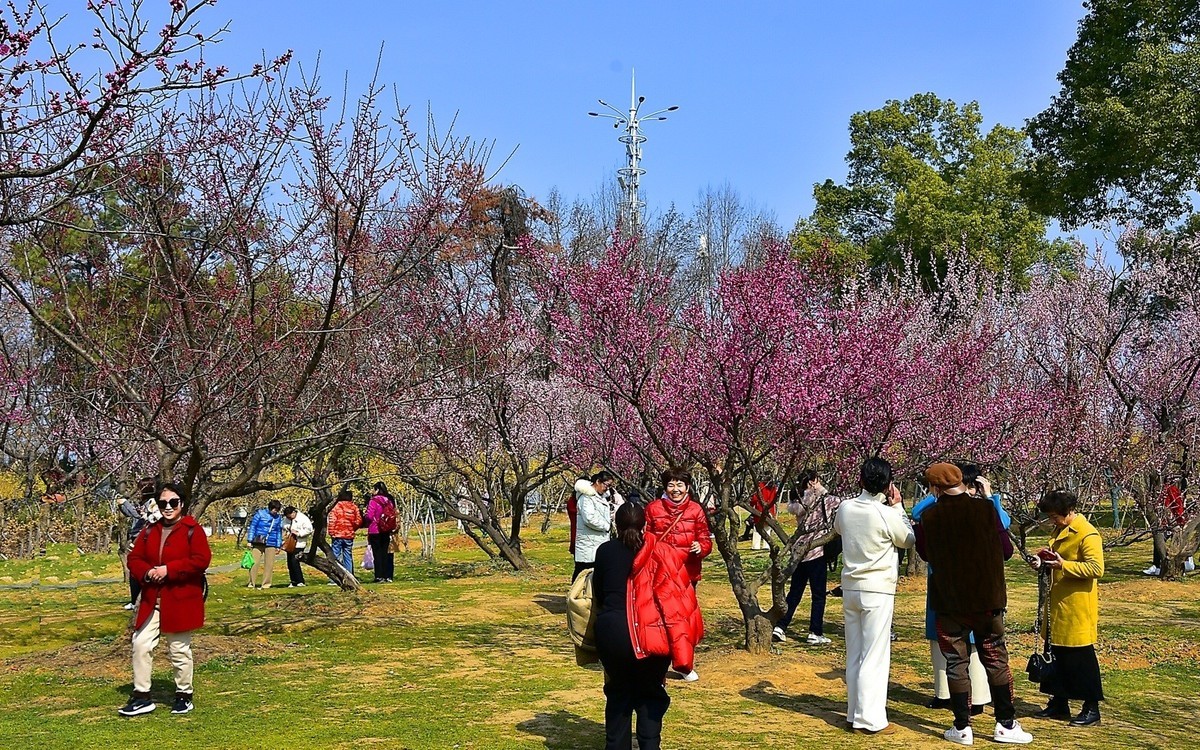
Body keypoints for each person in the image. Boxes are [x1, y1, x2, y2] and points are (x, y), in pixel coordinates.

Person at [914, 462, 1032, 745]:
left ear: (935, 488)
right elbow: (1006, 551)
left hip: (950, 604)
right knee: (995, 659)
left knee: (956, 663)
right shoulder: (986, 509)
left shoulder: (930, 517)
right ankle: (1006, 723)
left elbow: (925, 553)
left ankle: (962, 727)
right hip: (987, 602)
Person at [593, 502, 701, 750]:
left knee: (618, 693)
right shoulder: (662, 552)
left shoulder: (605, 551)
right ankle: (650, 745)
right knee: (650, 694)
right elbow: (679, 597)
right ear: (645, 525)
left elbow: (599, 592)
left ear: (616, 525)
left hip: (612, 634)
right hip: (654, 635)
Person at [834, 457, 914, 735]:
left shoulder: (845, 508)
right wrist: (898, 506)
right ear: (888, 484)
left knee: (854, 653)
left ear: (861, 480)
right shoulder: (886, 513)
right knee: (874, 655)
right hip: (877, 587)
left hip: (851, 585)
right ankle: (870, 719)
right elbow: (908, 539)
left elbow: (838, 529)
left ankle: (854, 713)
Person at [119, 480, 212, 717]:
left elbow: (201, 560)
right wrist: (148, 572)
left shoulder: (193, 529)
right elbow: (135, 558)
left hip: (180, 599)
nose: (168, 507)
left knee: (179, 649)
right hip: (154, 600)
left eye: (173, 502)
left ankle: (184, 695)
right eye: (163, 503)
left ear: (182, 503)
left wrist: (169, 570)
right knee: (140, 644)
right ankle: (142, 695)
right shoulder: (150, 530)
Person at [1028, 488, 1105, 727]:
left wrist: (1063, 565)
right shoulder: (1060, 529)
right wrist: (1042, 562)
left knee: (1080, 659)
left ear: (1068, 511)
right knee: (1056, 655)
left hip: (1076, 607)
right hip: (1057, 606)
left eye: (1054, 516)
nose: (1052, 521)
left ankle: (1091, 707)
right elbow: (1056, 559)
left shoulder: (1087, 534)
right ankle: (1058, 701)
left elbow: (1096, 569)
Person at [643, 466, 712, 681]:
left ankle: (684, 662)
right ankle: (660, 662)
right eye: (671, 485)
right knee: (661, 618)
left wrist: (701, 548)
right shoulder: (654, 509)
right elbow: (645, 537)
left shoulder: (695, 511)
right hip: (660, 574)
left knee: (684, 619)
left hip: (687, 573)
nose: (675, 489)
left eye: (679, 484)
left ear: (687, 487)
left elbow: (705, 538)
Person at [774, 470, 836, 645]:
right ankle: (815, 631)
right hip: (816, 551)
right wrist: (821, 489)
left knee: (795, 592)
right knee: (818, 595)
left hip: (799, 552)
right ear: (814, 481)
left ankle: (781, 626)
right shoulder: (824, 498)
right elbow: (842, 503)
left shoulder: (798, 501)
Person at [572, 470, 623, 581]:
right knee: (582, 571)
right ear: (598, 481)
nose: (607, 488)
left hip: (597, 541)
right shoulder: (586, 497)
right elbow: (589, 519)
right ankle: (575, 595)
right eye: (606, 485)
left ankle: (588, 595)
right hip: (588, 542)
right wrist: (607, 526)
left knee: (593, 572)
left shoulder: (601, 497)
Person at [245, 499, 284, 589]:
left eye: (277, 510)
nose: (275, 512)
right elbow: (253, 527)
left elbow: (279, 531)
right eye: (274, 509)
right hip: (258, 541)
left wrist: (278, 545)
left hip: (271, 542)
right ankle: (251, 583)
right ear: (270, 508)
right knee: (254, 562)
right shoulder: (260, 514)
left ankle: (266, 584)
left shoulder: (278, 518)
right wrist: (249, 540)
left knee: (269, 564)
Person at [366, 482, 397, 583]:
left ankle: (379, 576)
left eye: (374, 489)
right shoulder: (389, 501)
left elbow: (369, 516)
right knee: (384, 553)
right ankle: (385, 575)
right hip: (386, 530)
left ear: (377, 490)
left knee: (377, 554)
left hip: (375, 530)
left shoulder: (373, 501)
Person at [327, 488, 363, 576]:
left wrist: (331, 532)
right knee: (348, 556)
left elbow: (332, 521)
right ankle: (349, 576)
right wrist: (352, 528)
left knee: (335, 556)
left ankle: (335, 577)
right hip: (348, 535)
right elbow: (358, 521)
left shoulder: (335, 507)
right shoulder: (354, 507)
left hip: (337, 534)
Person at [282, 505, 313, 587]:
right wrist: (288, 527)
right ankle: (293, 581)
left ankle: (300, 580)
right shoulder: (287, 519)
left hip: (299, 543)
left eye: (290, 516)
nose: (289, 518)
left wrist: (299, 533)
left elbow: (309, 529)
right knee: (290, 563)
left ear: (293, 512)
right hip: (290, 543)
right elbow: (283, 525)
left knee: (295, 561)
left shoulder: (303, 518)